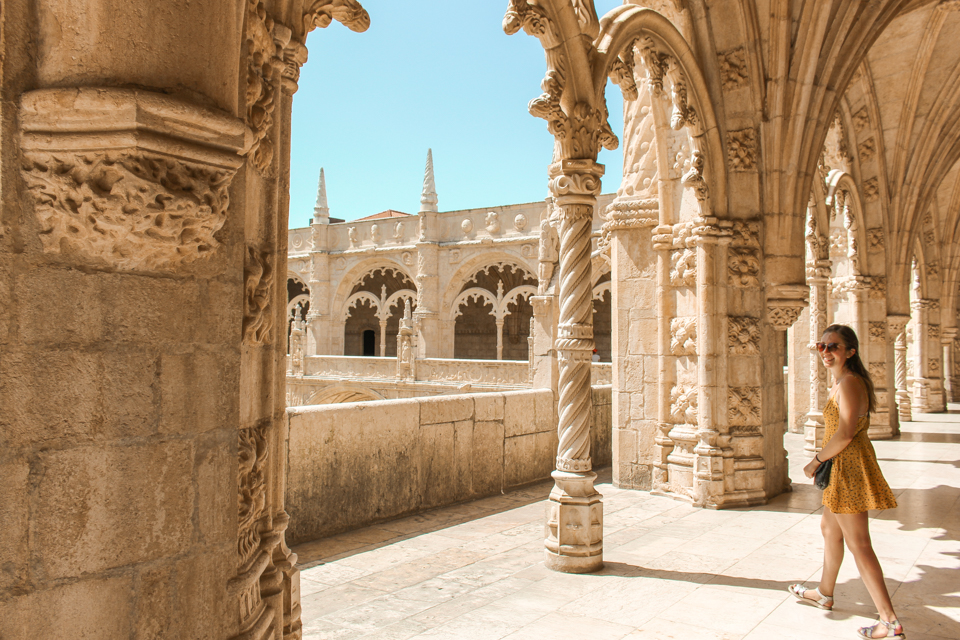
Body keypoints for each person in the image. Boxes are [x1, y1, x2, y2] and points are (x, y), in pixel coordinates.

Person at [788, 324, 903, 639]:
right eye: (821, 346)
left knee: (860, 545)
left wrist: (816, 461)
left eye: (833, 346)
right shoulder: (842, 382)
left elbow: (846, 432)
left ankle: (889, 621)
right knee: (829, 528)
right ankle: (824, 592)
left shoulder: (850, 383)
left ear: (850, 351)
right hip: (842, 467)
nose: (826, 352)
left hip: (848, 468)